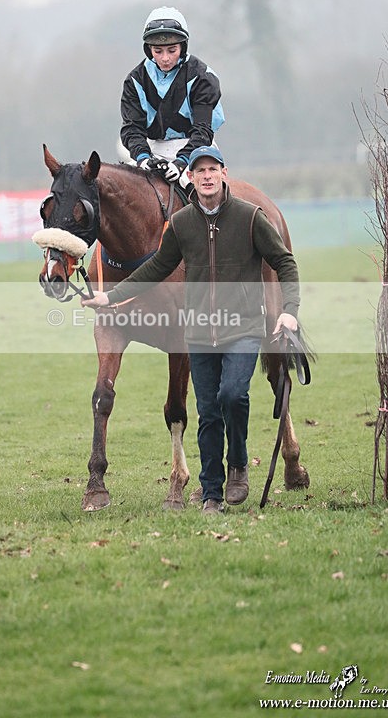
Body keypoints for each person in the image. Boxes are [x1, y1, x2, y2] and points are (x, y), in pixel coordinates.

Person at [81, 146, 300, 514]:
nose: (207, 176)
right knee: (208, 411)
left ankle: (238, 465)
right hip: (198, 332)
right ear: (193, 179)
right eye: (201, 172)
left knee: (232, 395)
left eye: (213, 169)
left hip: (241, 326)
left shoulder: (250, 217)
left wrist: (290, 311)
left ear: (223, 173)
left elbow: (284, 262)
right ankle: (211, 492)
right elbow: (154, 269)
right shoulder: (181, 225)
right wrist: (111, 298)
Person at [119, 6, 225, 190]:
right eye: (158, 51)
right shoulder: (134, 80)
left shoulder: (202, 77)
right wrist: (143, 158)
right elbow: (132, 129)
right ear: (148, 49)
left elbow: (203, 131)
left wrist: (182, 162)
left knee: (206, 192)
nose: (165, 58)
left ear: (183, 47)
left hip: (197, 149)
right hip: (152, 149)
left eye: (172, 50)